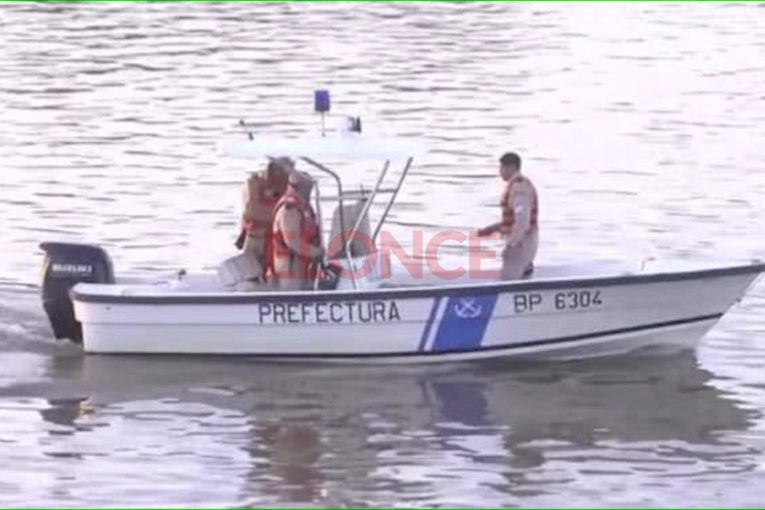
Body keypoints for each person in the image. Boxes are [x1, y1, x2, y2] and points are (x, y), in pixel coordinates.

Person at [477, 151, 539, 279]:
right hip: (522, 240)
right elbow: (512, 220)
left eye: (502, 168)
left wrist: (512, 244)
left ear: (511, 167)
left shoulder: (519, 188)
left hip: (521, 243)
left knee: (509, 278)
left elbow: (522, 220)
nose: (500, 171)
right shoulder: (516, 186)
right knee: (518, 275)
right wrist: (492, 229)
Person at [263, 170, 326, 290]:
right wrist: (317, 252)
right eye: (308, 187)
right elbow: (293, 243)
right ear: (299, 187)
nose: (310, 191)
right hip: (289, 271)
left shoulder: (303, 206)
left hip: (304, 268)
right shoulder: (289, 209)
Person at [235, 157, 293, 279]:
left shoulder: (290, 187)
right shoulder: (254, 184)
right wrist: (283, 218)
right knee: (252, 279)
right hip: (257, 240)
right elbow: (252, 212)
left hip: (281, 242)